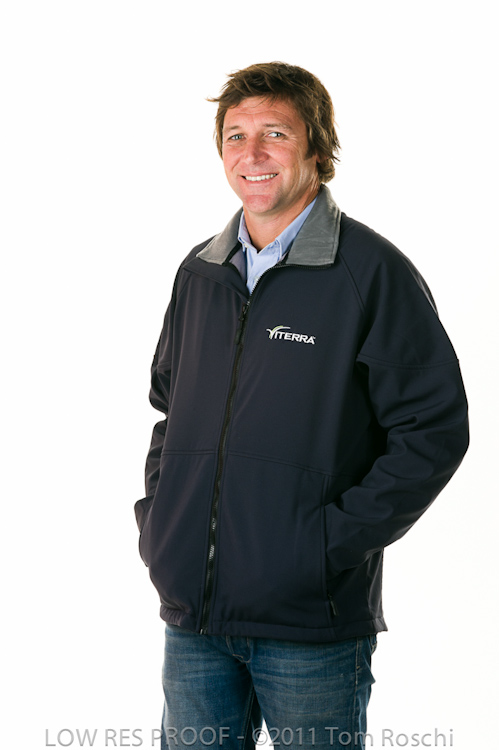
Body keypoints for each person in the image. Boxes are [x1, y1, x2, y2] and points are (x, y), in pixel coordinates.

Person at [135, 62, 469, 749]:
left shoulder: (369, 272)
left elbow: (431, 429)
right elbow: (169, 411)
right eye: (235, 135)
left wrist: (323, 547)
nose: (251, 153)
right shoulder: (200, 272)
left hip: (308, 626)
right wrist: (162, 528)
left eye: (275, 134)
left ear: (317, 148)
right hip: (193, 620)